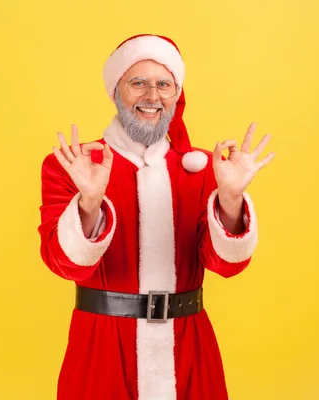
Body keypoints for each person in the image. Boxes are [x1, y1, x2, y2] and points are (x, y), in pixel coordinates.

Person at [38, 34, 275, 400]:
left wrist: (230, 198)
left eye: (164, 84)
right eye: (138, 83)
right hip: (102, 347)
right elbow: (63, 264)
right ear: (116, 90)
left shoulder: (202, 169)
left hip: (189, 347)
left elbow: (227, 265)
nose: (152, 96)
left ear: (176, 95)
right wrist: (88, 201)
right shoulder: (72, 165)